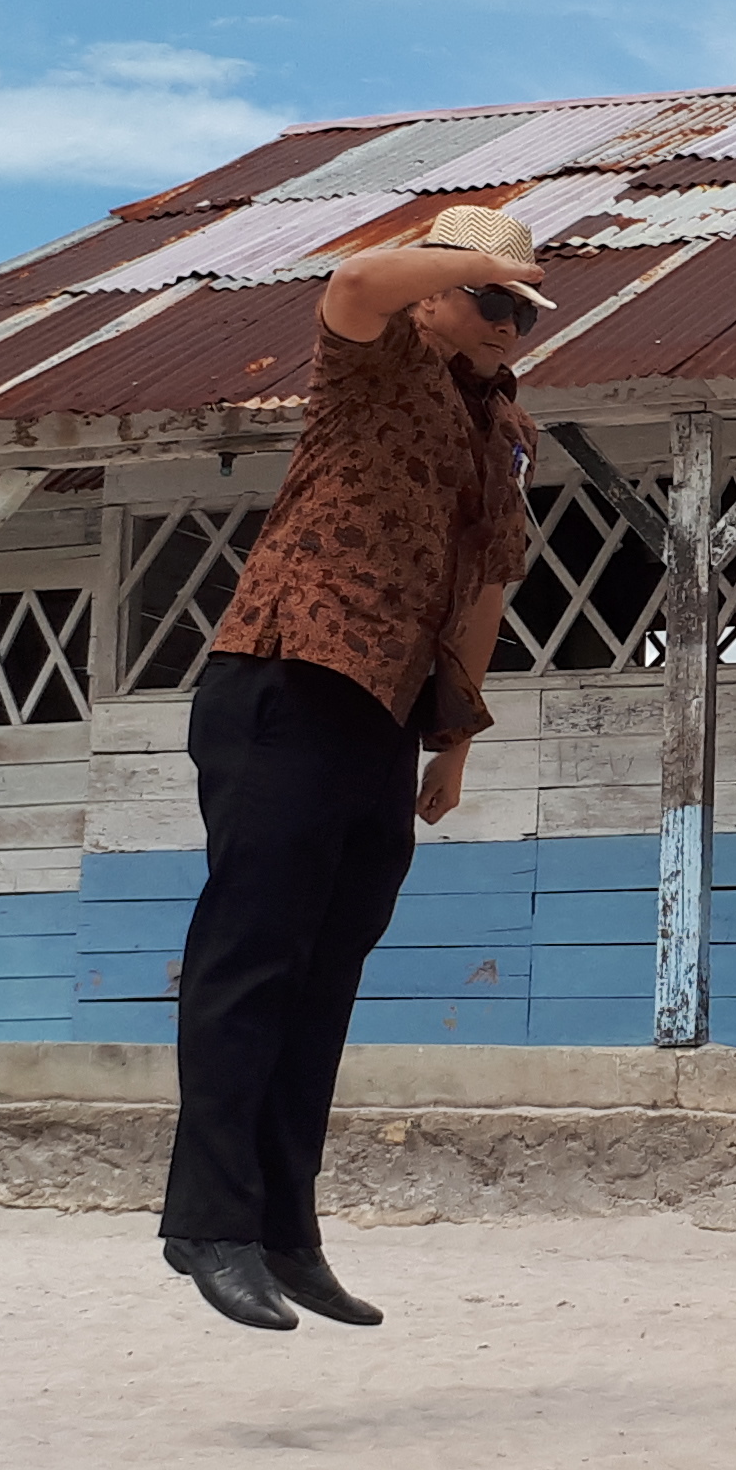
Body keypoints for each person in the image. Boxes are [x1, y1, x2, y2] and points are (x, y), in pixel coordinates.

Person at [158, 202, 543, 1332]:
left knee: (328, 972)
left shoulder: (504, 429)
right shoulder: (376, 359)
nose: (508, 320)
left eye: (524, 309)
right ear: (438, 293)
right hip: (288, 673)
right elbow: (355, 285)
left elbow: (486, 586)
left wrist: (455, 740)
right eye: (490, 298)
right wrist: (467, 256)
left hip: (386, 705)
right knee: (253, 955)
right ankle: (209, 1223)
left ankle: (285, 1228)